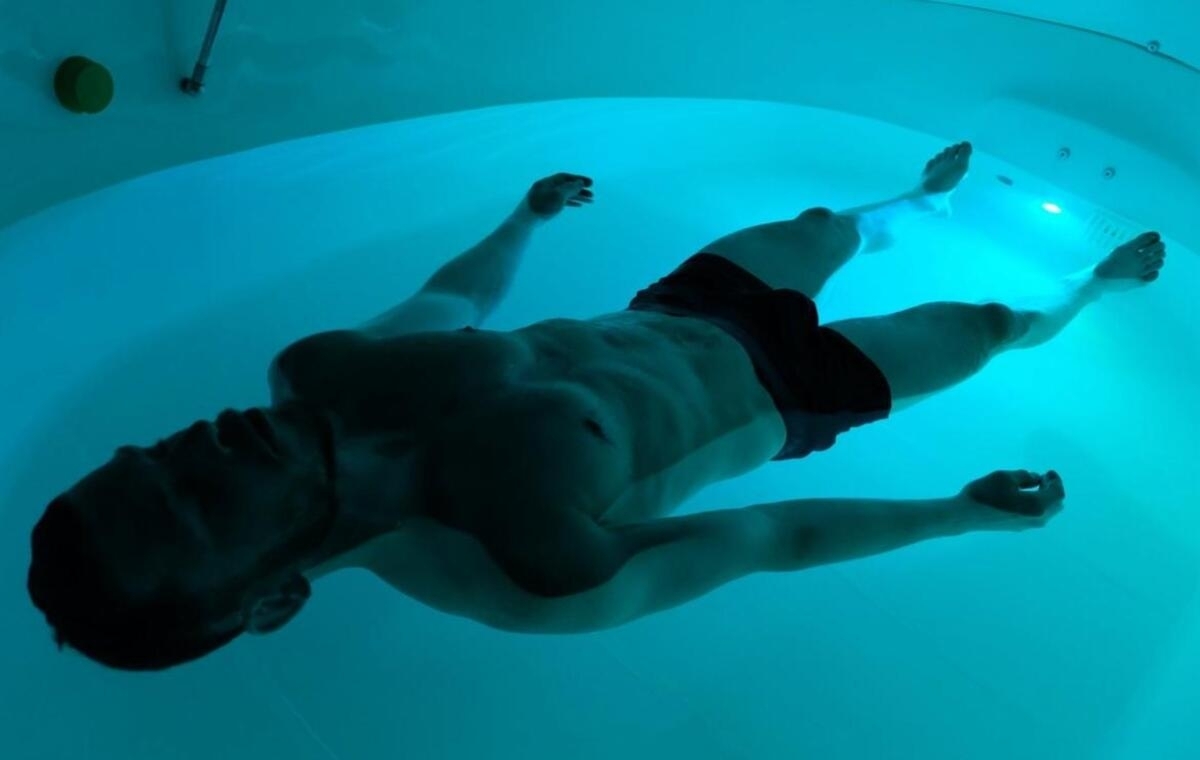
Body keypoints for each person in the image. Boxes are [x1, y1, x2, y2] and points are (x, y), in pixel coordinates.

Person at [28, 142, 1166, 671]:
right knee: (985, 322)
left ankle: (917, 202)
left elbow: (451, 301)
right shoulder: (525, 572)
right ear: (276, 597)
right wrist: (960, 512)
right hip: (789, 394)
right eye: (193, 499)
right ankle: (1093, 285)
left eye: (148, 455)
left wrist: (524, 218)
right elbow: (771, 536)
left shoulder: (319, 370)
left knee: (826, 226)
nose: (195, 444)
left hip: (683, 307)